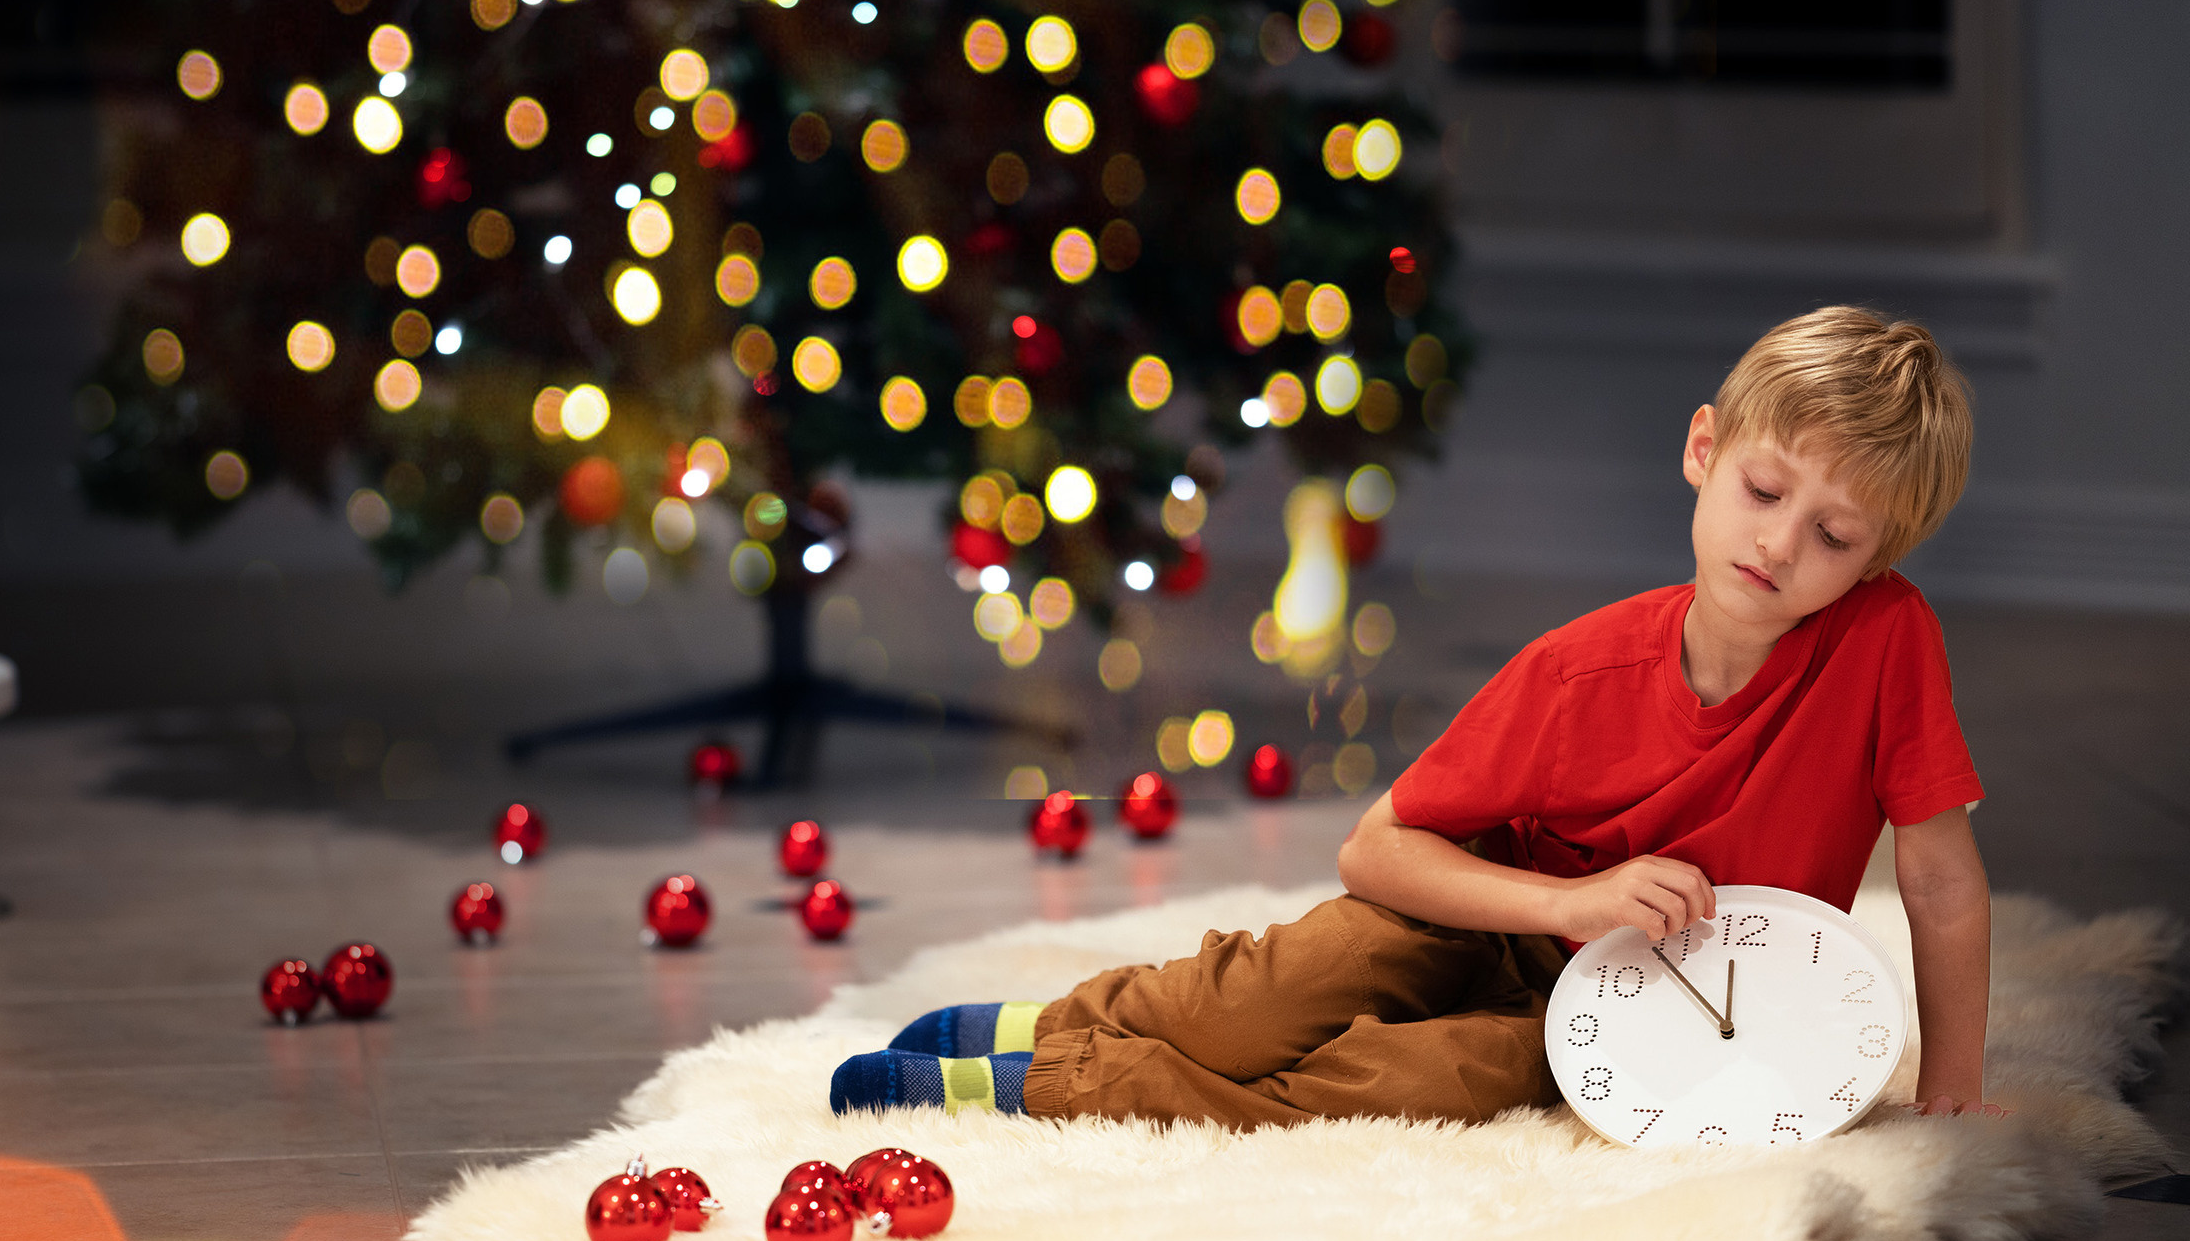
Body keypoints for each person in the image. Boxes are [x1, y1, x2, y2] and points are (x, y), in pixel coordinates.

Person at [833, 306, 2004, 1129]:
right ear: (1704, 451)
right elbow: (1376, 850)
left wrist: (1951, 1083)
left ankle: (1039, 1090)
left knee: (1411, 1085)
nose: (1779, 544)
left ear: (1876, 560)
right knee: (1266, 1001)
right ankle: (1051, 1025)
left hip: (1641, 1000)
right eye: (1762, 491)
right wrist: (1572, 903)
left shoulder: (1883, 641)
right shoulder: (1576, 673)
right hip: (1485, 915)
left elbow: (1941, 879)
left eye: (1833, 537)